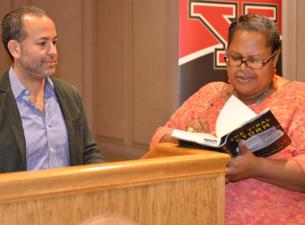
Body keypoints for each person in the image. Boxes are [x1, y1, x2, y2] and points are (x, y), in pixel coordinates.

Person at [150, 14, 305, 224]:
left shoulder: (297, 98)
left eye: (254, 60)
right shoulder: (210, 94)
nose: (242, 68)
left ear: (274, 58)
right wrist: (190, 141)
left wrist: (257, 168)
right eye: (235, 57)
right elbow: (159, 139)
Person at [0, 5, 104, 173]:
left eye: (54, 42)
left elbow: (88, 151)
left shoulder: (69, 94)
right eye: (43, 43)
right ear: (15, 49)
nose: (53, 51)